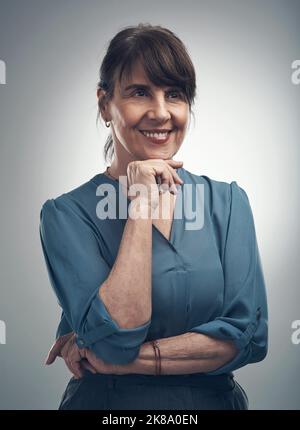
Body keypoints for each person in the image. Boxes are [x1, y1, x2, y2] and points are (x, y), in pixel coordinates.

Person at [39, 23, 268, 410]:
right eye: (140, 92)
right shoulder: (65, 215)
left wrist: (121, 362)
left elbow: (249, 337)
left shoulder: (227, 202)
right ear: (103, 104)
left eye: (174, 95)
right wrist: (142, 203)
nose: (161, 113)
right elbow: (118, 334)